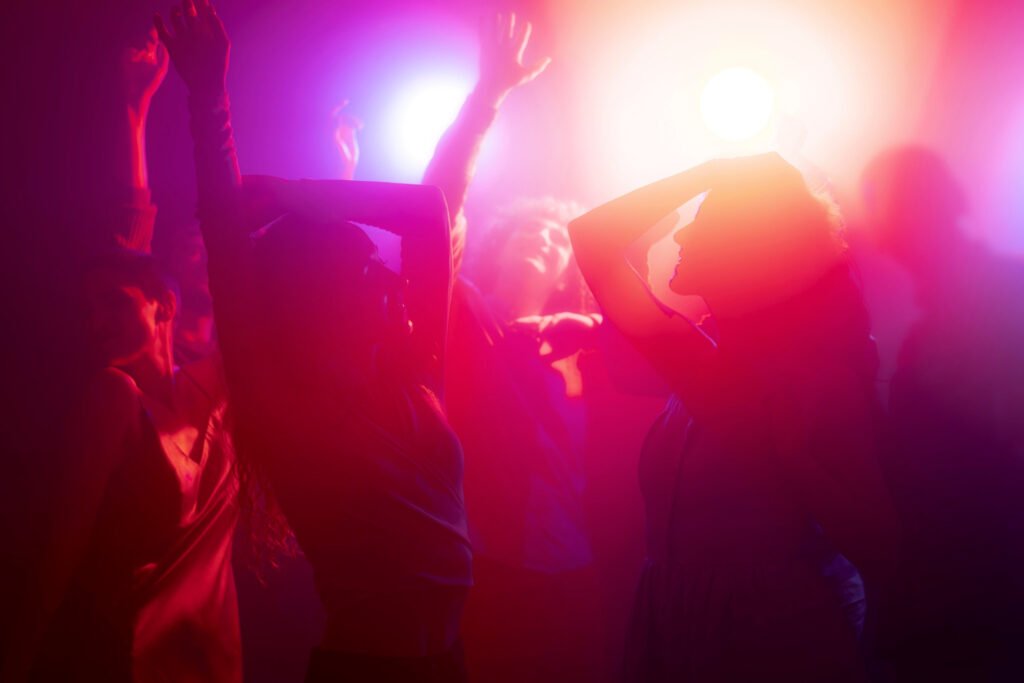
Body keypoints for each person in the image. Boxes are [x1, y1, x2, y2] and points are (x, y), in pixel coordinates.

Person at [155, 2, 470, 680]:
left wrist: (296, 194)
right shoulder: (283, 405)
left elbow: (428, 212)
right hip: (366, 669)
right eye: (365, 271)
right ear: (318, 300)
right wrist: (209, 96)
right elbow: (227, 243)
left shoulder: (412, 374)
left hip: (448, 664)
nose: (388, 279)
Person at [569, 153, 898, 682]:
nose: (681, 235)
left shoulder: (800, 380)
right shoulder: (707, 366)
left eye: (702, 221)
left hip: (775, 636)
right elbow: (594, 239)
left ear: (744, 249)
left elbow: (881, 546)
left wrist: (713, 171)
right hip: (684, 622)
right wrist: (720, 171)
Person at [421, 15, 612, 681]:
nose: (544, 237)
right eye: (529, 229)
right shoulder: (468, 315)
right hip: (490, 570)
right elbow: (435, 207)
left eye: (558, 239)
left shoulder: (592, 343)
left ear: (567, 273)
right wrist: (487, 98)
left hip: (578, 575)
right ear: (496, 246)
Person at [1, 249, 240, 683]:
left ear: (165, 305)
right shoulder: (114, 396)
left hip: (214, 663)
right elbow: (59, 550)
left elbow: (257, 306)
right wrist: (17, 660)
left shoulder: (211, 388)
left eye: (113, 301)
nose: (95, 323)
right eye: (87, 311)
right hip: (135, 661)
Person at [862, 146, 1024, 681]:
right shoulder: (929, 330)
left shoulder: (1002, 299)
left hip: (983, 594)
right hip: (959, 594)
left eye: (885, 209)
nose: (878, 232)